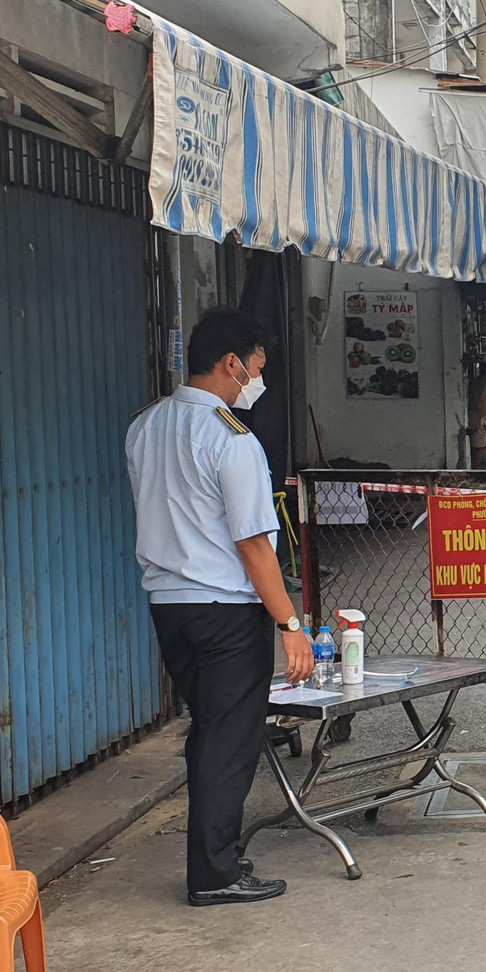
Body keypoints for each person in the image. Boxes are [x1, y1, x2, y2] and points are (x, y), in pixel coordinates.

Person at [126, 307, 314, 907]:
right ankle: (215, 873)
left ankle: (217, 856)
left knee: (209, 730)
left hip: (169, 604)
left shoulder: (145, 426)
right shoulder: (231, 438)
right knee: (228, 739)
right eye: (255, 369)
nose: (256, 381)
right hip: (227, 611)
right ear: (232, 363)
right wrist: (290, 622)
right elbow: (254, 544)